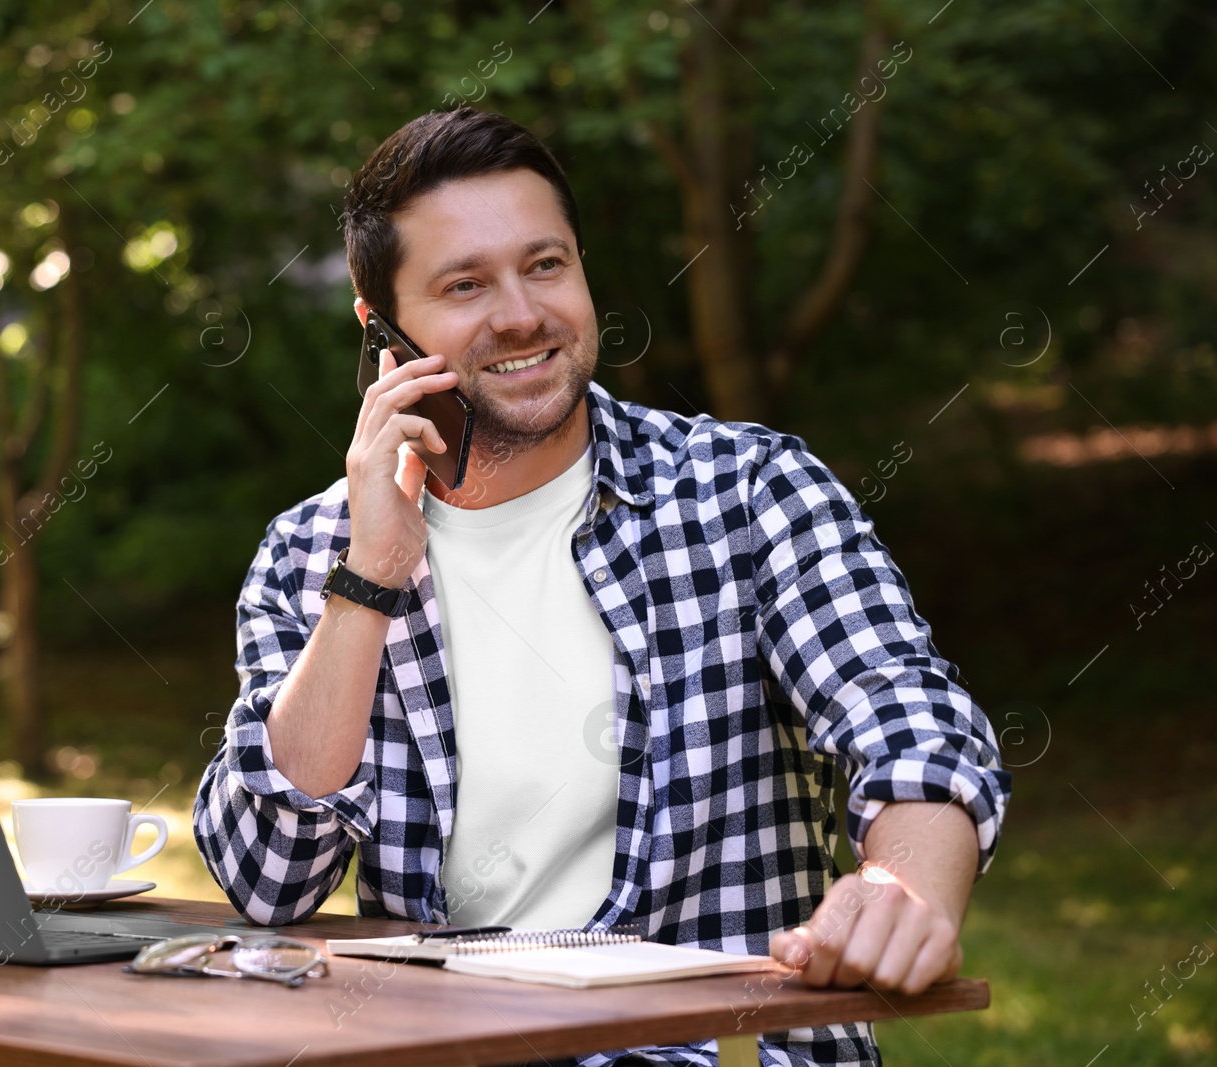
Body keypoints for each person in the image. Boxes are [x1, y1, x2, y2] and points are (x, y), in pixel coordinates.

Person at [193, 106, 1011, 1067]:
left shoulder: (745, 491)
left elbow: (911, 718)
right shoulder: (311, 553)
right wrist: (368, 581)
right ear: (382, 328)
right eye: (465, 285)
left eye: (546, 265)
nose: (522, 315)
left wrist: (904, 886)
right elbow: (268, 882)